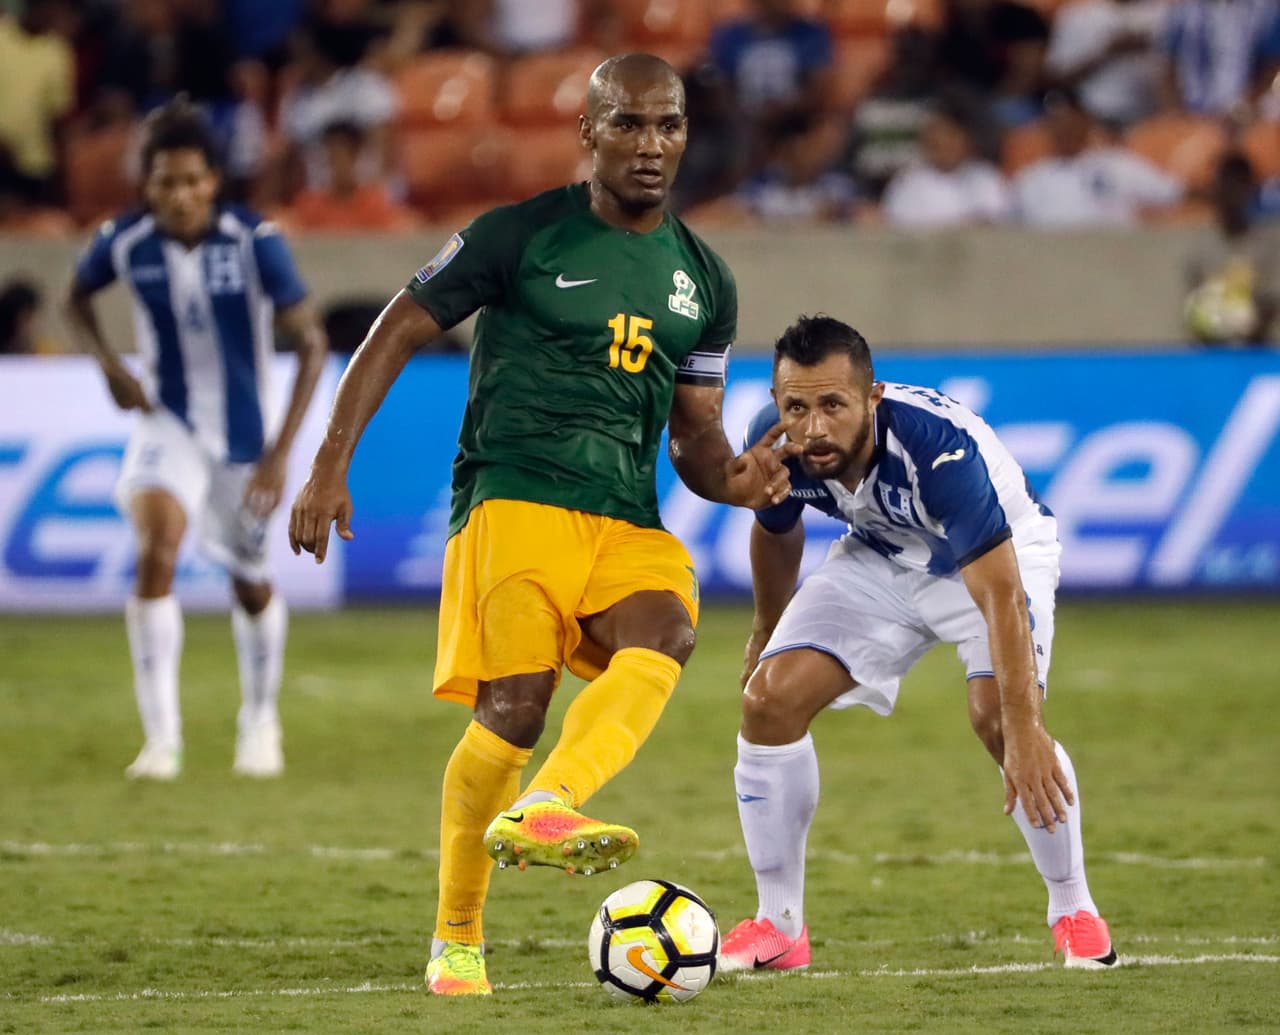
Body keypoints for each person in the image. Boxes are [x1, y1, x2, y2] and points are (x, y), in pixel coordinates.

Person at [288, 52, 797, 997]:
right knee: (516, 709)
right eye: (629, 123)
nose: (650, 144)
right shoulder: (518, 235)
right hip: (514, 495)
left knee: (669, 627)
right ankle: (456, 937)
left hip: (624, 515)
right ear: (588, 132)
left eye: (668, 125)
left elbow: (694, 437)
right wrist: (328, 464)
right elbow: (397, 328)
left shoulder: (705, 280)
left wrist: (740, 480)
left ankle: (550, 803)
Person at [719, 315, 1117, 973]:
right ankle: (778, 925)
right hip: (882, 553)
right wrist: (766, 627)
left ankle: (1075, 910)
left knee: (1000, 720)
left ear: (872, 398)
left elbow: (999, 594)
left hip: (996, 562)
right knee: (768, 702)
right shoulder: (776, 443)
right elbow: (777, 529)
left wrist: (1024, 727)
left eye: (832, 405)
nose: (812, 427)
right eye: (796, 407)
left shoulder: (937, 452)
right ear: (776, 402)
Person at [64, 99, 329, 781]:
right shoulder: (125, 241)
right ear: (146, 186)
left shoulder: (254, 241)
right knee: (157, 550)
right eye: (165, 183)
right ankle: (162, 741)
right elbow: (74, 298)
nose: (179, 196)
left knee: (250, 582)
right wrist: (109, 366)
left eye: (191, 181)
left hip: (245, 439)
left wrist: (279, 455)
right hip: (168, 421)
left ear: (213, 180)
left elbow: (312, 342)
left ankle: (260, 721)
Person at [1184, 150, 1280, 346]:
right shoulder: (1200, 246)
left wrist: (1244, 319)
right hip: (1210, 348)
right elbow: (1192, 298)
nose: (1230, 196)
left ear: (1249, 190)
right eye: (1224, 187)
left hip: (1258, 349)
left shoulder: (1267, 245)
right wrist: (1211, 320)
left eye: (1237, 188)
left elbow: (1272, 299)